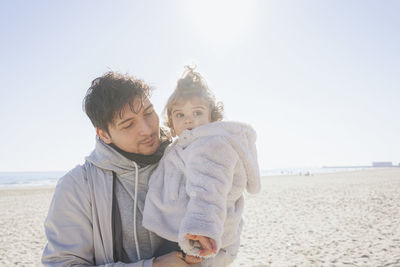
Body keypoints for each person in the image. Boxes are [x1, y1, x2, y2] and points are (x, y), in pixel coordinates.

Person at [42, 71, 200, 266]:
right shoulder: (77, 186)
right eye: (128, 125)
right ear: (104, 134)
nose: (147, 129)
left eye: (149, 113)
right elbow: (62, 262)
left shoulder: (187, 158)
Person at [142, 66, 261, 267]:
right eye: (179, 115)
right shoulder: (186, 144)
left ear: (212, 118)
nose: (188, 119)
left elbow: (208, 190)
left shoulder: (211, 145)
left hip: (200, 236)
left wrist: (200, 232)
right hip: (194, 233)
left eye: (197, 112)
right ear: (170, 120)